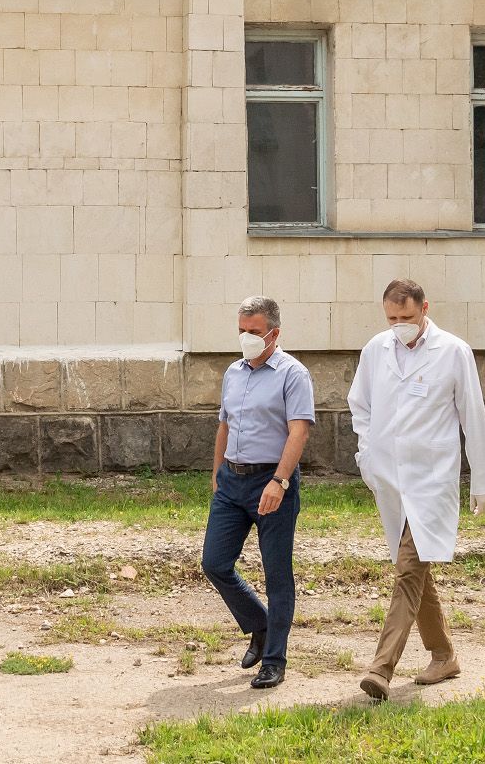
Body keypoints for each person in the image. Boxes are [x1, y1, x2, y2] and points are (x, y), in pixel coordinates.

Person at [348, 278, 485, 701]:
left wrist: (482, 480)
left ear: (425, 309)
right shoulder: (375, 350)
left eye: (407, 316)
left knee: (408, 569)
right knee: (416, 568)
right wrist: (366, 454)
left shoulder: (453, 351)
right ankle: (444, 655)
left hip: (432, 481)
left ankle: (381, 668)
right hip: (389, 479)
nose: (399, 324)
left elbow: (473, 416)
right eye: (392, 318)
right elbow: (360, 405)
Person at [201, 295, 314, 690]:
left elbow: (299, 431)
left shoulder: (293, 374)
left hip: (272, 481)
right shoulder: (233, 372)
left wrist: (279, 482)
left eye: (254, 331)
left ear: (274, 334)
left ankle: (274, 660)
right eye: (241, 330)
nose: (246, 337)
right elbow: (225, 425)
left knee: (277, 573)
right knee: (214, 563)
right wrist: (217, 472)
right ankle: (260, 625)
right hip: (232, 482)